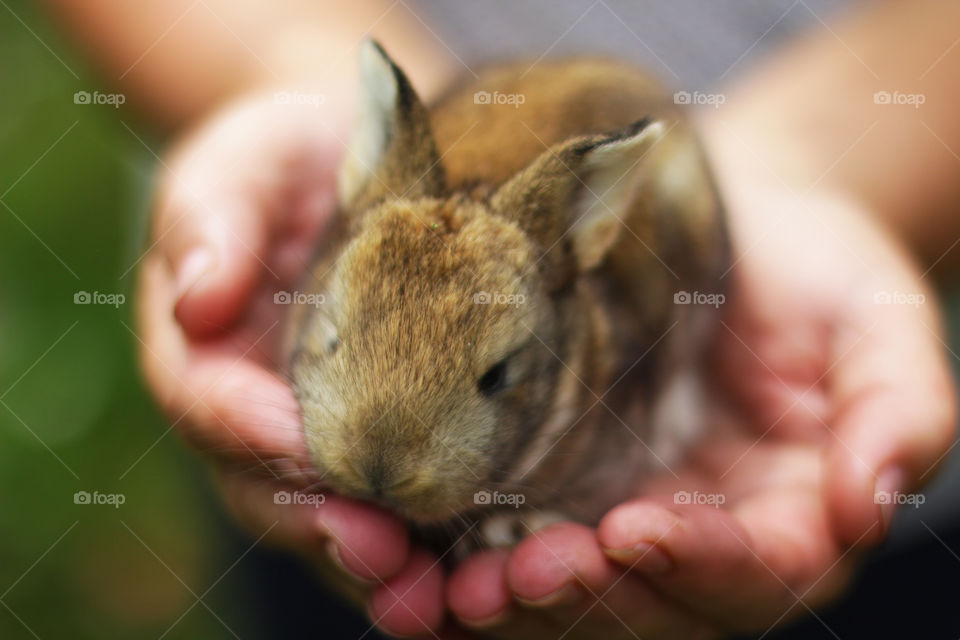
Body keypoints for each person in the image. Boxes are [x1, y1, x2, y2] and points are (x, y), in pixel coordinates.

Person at [45, 0, 959, 636]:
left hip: (871, 504)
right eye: (332, 338)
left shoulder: (598, 311)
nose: (382, 467)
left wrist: (844, 170)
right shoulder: (351, 238)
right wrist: (272, 60)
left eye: (491, 373)